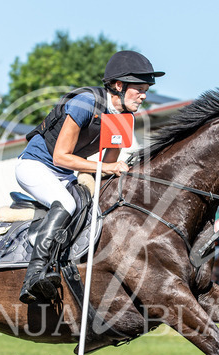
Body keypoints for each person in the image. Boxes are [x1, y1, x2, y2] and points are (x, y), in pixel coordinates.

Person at [15, 50, 164, 303]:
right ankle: (34, 277)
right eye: (139, 88)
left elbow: (107, 164)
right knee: (68, 204)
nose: (144, 95)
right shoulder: (84, 104)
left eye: (146, 89)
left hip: (64, 175)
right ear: (119, 85)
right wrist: (109, 168)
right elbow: (60, 157)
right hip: (35, 166)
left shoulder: (124, 117)